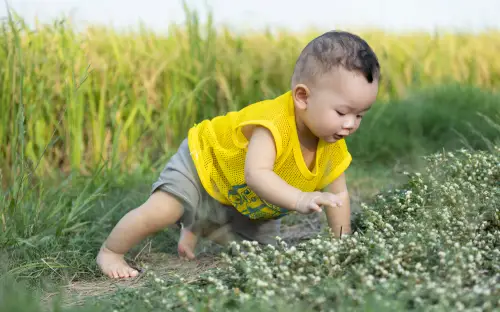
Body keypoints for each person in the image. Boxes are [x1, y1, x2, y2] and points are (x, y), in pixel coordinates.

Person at [96, 30, 381, 279]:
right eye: (342, 112)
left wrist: (341, 245)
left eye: (360, 115)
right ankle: (111, 251)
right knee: (163, 210)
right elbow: (256, 175)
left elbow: (338, 196)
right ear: (303, 97)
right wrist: (300, 198)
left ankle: (198, 224)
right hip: (205, 164)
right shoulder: (273, 124)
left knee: (259, 257)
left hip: (242, 197)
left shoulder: (332, 145)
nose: (350, 124)